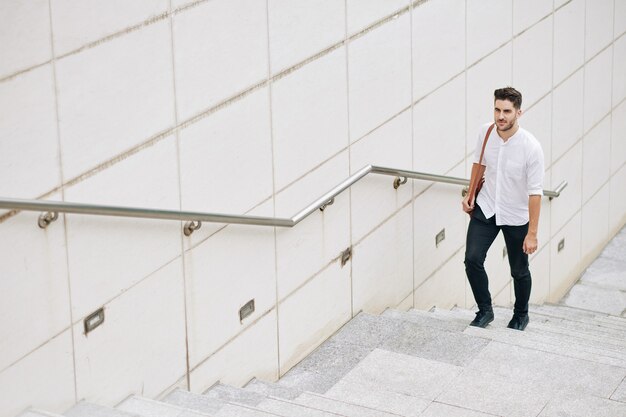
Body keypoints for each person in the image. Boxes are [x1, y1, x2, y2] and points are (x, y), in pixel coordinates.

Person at [462, 87, 544, 331]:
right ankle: (485, 310)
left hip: (516, 215)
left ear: (519, 112)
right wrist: (470, 193)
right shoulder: (486, 132)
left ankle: (521, 315)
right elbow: (479, 162)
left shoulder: (531, 147)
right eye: (497, 109)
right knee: (472, 259)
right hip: (486, 207)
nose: (501, 116)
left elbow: (535, 193)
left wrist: (532, 233)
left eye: (507, 111)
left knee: (519, 270)